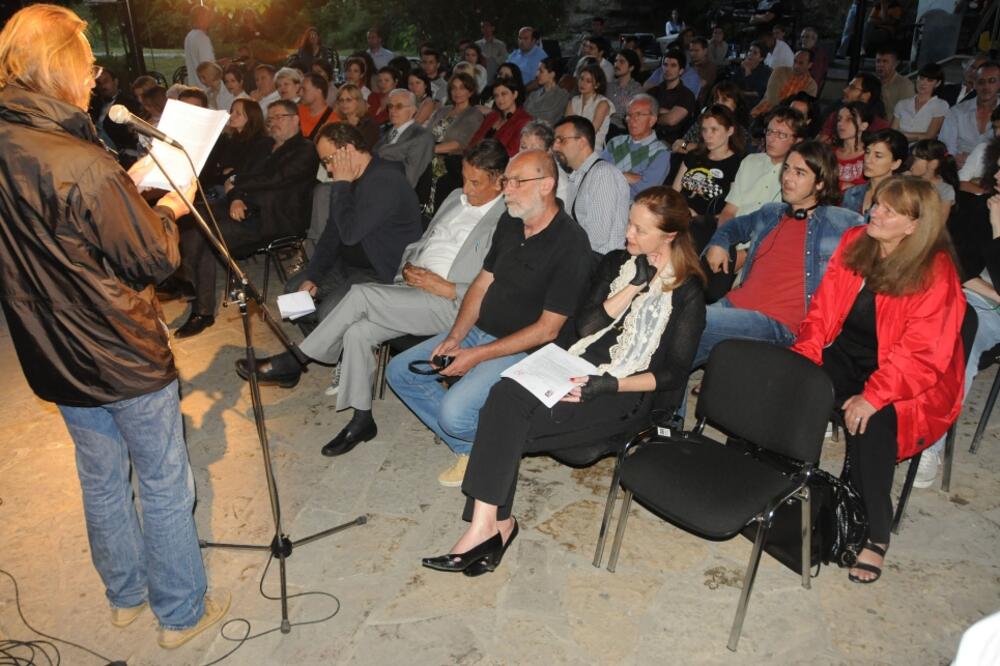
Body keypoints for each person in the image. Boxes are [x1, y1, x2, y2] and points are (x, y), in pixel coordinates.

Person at [0, 4, 228, 647]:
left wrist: (118, 192)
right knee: (162, 480)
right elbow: (151, 259)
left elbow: (56, 225)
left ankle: (125, 597)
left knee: (100, 478)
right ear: (59, 67)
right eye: (87, 64)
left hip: (50, 346)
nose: (94, 77)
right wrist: (168, 207)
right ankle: (180, 614)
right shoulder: (83, 162)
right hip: (118, 348)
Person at [422, 186, 707, 575]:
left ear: (670, 235)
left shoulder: (688, 291)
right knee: (504, 395)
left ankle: (493, 529)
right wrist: (632, 287)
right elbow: (583, 327)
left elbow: (673, 374)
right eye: (629, 223)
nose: (628, 233)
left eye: (640, 230)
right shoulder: (617, 264)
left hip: (623, 392)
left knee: (505, 422)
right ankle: (488, 527)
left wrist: (608, 386)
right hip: (574, 364)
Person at [239, 141, 509, 459]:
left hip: (453, 305)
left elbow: (500, 285)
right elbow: (420, 241)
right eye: (464, 178)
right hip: (414, 289)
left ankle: (297, 359)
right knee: (358, 332)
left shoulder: (508, 219)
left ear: (499, 181)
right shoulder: (454, 198)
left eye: (475, 182)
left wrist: (448, 288)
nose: (466, 188)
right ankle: (362, 419)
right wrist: (407, 268)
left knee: (361, 295)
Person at [792, 175, 965, 584]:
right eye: (878, 204)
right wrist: (804, 359)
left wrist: (874, 395)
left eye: (890, 211)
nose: (875, 212)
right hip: (847, 353)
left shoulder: (935, 271)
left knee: (872, 424)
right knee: (791, 386)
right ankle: (781, 485)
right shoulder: (857, 241)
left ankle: (876, 532)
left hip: (908, 379)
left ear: (913, 226)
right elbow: (822, 311)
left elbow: (923, 356)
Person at [386, 150, 593, 484]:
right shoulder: (511, 222)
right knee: (400, 372)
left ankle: (487, 447)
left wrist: (477, 355)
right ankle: (470, 448)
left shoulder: (571, 243)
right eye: (506, 181)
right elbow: (482, 284)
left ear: (546, 185)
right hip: (480, 331)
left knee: (455, 414)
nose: (506, 190)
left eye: (516, 182)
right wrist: (455, 337)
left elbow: (547, 329)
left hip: (526, 349)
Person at [696, 141, 864, 369]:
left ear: (821, 183)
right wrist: (719, 243)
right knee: (675, 329)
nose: (787, 177)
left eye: (799, 172)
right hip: (734, 305)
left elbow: (880, 237)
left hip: (778, 324)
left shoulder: (840, 222)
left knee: (691, 323)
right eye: (786, 169)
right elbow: (734, 226)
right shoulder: (771, 213)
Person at [176, 100, 319, 337]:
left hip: (273, 218)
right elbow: (240, 173)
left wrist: (237, 184)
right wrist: (236, 197)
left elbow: (276, 178)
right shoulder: (265, 146)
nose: (273, 122)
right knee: (191, 217)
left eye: (279, 117)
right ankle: (187, 280)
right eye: (270, 118)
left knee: (208, 234)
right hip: (244, 207)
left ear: (296, 119)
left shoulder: (305, 149)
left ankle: (202, 309)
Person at [282, 122, 422, 330]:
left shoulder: (385, 180)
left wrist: (341, 185)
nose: (329, 169)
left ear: (348, 149)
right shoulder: (350, 181)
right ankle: (324, 335)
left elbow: (349, 235)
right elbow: (331, 234)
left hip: (380, 271)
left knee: (328, 313)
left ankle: (334, 334)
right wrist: (313, 276)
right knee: (293, 294)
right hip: (347, 265)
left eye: (328, 160)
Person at [716, 106, 808, 226]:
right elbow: (729, 211)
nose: (771, 139)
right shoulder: (750, 161)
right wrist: (724, 235)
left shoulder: (799, 175)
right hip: (735, 230)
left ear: (798, 141)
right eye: (769, 131)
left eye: (781, 135)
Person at [554, 116, 630, 255]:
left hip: (599, 259)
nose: (555, 147)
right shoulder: (578, 175)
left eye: (561, 140)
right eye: (555, 141)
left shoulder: (603, 174)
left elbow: (597, 237)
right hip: (583, 253)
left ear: (582, 142)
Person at [673, 104, 745, 250]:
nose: (708, 135)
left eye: (714, 129)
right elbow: (674, 191)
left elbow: (733, 210)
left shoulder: (738, 164)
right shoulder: (694, 156)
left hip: (707, 225)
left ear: (730, 130)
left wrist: (699, 219)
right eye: (704, 130)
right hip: (678, 215)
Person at [425, 73, 485, 213]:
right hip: (428, 155)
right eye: (454, 88)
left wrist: (430, 149)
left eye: (462, 88)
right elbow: (426, 133)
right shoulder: (443, 110)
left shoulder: (474, 114)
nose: (457, 92)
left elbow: (460, 143)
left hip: (450, 162)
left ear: (470, 92)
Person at [601, 95, 670, 201]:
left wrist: (611, 176)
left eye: (638, 114)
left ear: (652, 120)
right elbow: (599, 173)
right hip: (600, 197)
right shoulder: (616, 142)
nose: (631, 120)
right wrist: (625, 176)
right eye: (629, 115)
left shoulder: (661, 153)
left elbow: (645, 192)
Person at [941, 61, 1000, 168]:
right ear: (975, 84)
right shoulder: (956, 112)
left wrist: (973, 161)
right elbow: (946, 146)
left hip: (993, 169)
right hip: (957, 167)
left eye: (992, 81)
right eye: (981, 82)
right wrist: (952, 159)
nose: (986, 86)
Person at [373, 89, 435, 187]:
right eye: (390, 106)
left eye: (399, 106)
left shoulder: (421, 136)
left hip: (393, 188)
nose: (393, 110)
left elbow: (409, 178)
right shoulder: (385, 130)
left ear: (413, 110)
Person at [673, 80, 751, 156]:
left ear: (736, 104)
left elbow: (720, 153)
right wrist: (686, 145)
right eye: (716, 99)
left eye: (724, 100)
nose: (719, 103)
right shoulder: (702, 122)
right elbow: (679, 144)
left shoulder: (741, 131)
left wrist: (693, 147)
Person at [841, 128, 909, 214]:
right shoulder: (852, 193)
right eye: (867, 152)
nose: (868, 160)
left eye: (878, 156)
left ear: (895, 164)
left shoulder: (902, 199)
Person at [88, 67, 142, 167]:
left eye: (106, 81)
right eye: (99, 83)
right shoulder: (93, 104)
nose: (102, 86)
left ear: (115, 82)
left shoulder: (130, 104)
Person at [470, 77, 532, 157]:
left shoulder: (524, 120)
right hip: (475, 159)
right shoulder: (492, 116)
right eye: (496, 95)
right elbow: (474, 140)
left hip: (497, 162)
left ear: (515, 94)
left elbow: (512, 151)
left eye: (504, 94)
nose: (499, 99)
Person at [647, 49, 698, 145]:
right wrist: (663, 111)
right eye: (665, 65)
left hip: (675, 143)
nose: (668, 69)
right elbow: (639, 112)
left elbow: (671, 120)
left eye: (673, 65)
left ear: (681, 71)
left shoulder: (687, 95)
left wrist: (649, 115)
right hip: (648, 137)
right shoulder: (653, 91)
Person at [819, 73, 888, 143]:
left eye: (852, 88)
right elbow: (822, 143)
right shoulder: (835, 115)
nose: (845, 90)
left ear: (866, 96)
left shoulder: (880, 127)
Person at [751, 49, 817, 117]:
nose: (796, 65)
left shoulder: (811, 85)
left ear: (809, 65)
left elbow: (802, 109)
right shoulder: (779, 71)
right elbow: (772, 98)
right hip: (764, 111)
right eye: (795, 61)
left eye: (801, 63)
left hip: (789, 117)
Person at [892, 63, 948, 143]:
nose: (923, 83)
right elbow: (892, 132)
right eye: (921, 78)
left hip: (922, 147)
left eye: (930, 80)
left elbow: (930, 136)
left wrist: (902, 135)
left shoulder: (940, 105)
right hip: (897, 144)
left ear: (938, 83)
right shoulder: (902, 104)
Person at [566, 63, 613, 151]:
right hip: (572, 145)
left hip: (593, 148)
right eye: (581, 79)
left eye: (588, 81)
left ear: (597, 85)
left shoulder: (603, 103)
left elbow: (591, 132)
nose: (582, 83)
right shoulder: (573, 101)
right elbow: (567, 126)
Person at [908, 139, 959, 217]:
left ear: (933, 164)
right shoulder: (907, 180)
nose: (911, 162)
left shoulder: (945, 190)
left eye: (916, 159)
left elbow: (940, 221)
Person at [835, 102, 871, 192]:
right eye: (839, 119)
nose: (840, 124)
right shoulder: (829, 153)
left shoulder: (871, 156)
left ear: (864, 126)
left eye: (849, 119)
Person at [606, 49, 644, 136]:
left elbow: (625, 113)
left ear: (631, 67)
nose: (616, 64)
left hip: (620, 130)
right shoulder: (609, 85)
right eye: (616, 61)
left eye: (622, 62)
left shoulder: (636, 89)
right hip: (603, 125)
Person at [523, 57, 570, 126]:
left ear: (552, 74)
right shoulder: (533, 94)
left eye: (541, 71)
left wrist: (527, 117)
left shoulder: (562, 95)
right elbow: (522, 112)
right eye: (537, 70)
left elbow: (548, 118)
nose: (537, 74)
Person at [332, 83, 379, 150]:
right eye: (341, 100)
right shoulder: (339, 124)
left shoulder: (370, 125)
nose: (344, 103)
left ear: (358, 101)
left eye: (348, 100)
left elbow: (364, 150)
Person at [875, 47, 914, 123]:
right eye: (878, 61)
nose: (880, 65)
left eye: (885, 61)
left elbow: (907, 115)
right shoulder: (872, 82)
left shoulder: (905, 85)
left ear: (895, 64)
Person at [730, 41, 772, 105]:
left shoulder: (765, 72)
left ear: (761, 58)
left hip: (753, 103)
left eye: (755, 53)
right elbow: (732, 85)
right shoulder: (741, 68)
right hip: (736, 100)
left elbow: (755, 93)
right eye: (750, 51)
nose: (750, 54)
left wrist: (747, 70)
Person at [184, 5, 214, 90]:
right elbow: (207, 67)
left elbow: (197, 62)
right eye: (208, 16)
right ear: (200, 17)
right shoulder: (202, 37)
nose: (210, 20)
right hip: (206, 89)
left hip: (194, 87)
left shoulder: (189, 36)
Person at [297, 72, 333, 141]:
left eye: (304, 89)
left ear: (319, 91)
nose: (300, 93)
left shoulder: (333, 120)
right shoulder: (295, 111)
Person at [687, 37, 717, 104]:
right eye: (691, 50)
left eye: (696, 51)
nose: (693, 53)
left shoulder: (709, 67)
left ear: (705, 51)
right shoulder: (689, 65)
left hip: (697, 103)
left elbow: (698, 85)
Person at [799, 26, 828, 91]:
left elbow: (815, 77)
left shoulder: (818, 55)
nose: (803, 39)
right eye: (802, 37)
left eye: (807, 37)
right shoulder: (803, 52)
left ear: (814, 39)